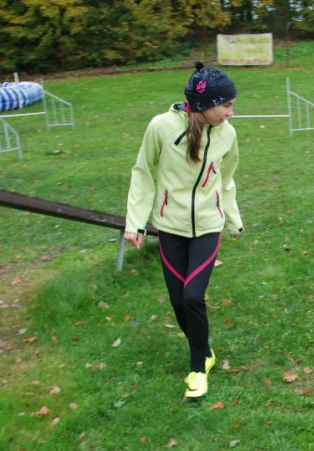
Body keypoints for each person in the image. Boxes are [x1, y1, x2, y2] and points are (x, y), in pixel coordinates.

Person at [124, 62, 244, 399]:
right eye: (227, 105)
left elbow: (227, 177)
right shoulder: (161, 127)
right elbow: (143, 172)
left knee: (193, 296)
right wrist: (135, 222)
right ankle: (204, 351)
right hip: (170, 227)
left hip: (208, 225)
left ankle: (196, 368)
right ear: (205, 106)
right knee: (179, 302)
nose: (231, 113)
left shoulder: (227, 135)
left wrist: (232, 218)